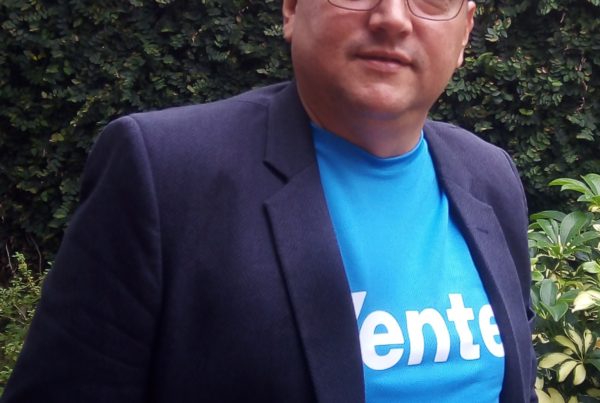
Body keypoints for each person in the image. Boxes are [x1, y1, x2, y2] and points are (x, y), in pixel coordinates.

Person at [1, 0, 537, 402]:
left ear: (465, 33)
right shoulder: (164, 173)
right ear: (291, 9)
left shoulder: (490, 176)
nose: (393, 17)